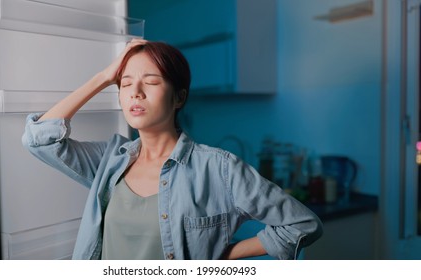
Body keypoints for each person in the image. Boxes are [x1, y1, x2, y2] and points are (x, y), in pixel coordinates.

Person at [22, 39, 323, 260]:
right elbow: (39, 139)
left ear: (179, 98)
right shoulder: (109, 161)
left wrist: (220, 257)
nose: (135, 92)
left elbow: (302, 224)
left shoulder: (219, 169)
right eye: (125, 84)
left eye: (151, 82)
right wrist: (103, 78)